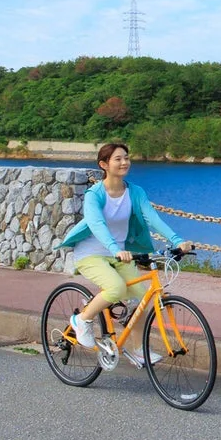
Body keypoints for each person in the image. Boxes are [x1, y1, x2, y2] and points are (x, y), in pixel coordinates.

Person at [59, 140, 191, 352]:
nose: (124, 162)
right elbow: (97, 224)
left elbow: (152, 219)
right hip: (91, 254)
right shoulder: (95, 194)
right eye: (118, 159)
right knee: (116, 288)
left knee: (140, 299)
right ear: (104, 165)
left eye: (126, 158)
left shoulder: (135, 192)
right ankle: (82, 320)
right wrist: (115, 249)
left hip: (121, 255)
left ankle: (139, 351)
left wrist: (177, 241)